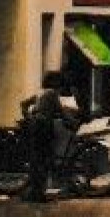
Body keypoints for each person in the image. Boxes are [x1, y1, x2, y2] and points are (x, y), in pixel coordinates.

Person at [23, 71, 79, 202]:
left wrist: (28, 117)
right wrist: (72, 123)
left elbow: (24, 104)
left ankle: (34, 192)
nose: (60, 87)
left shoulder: (40, 92)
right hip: (43, 126)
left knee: (36, 159)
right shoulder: (52, 94)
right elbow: (61, 112)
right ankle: (38, 194)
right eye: (59, 83)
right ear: (55, 83)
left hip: (34, 125)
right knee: (43, 159)